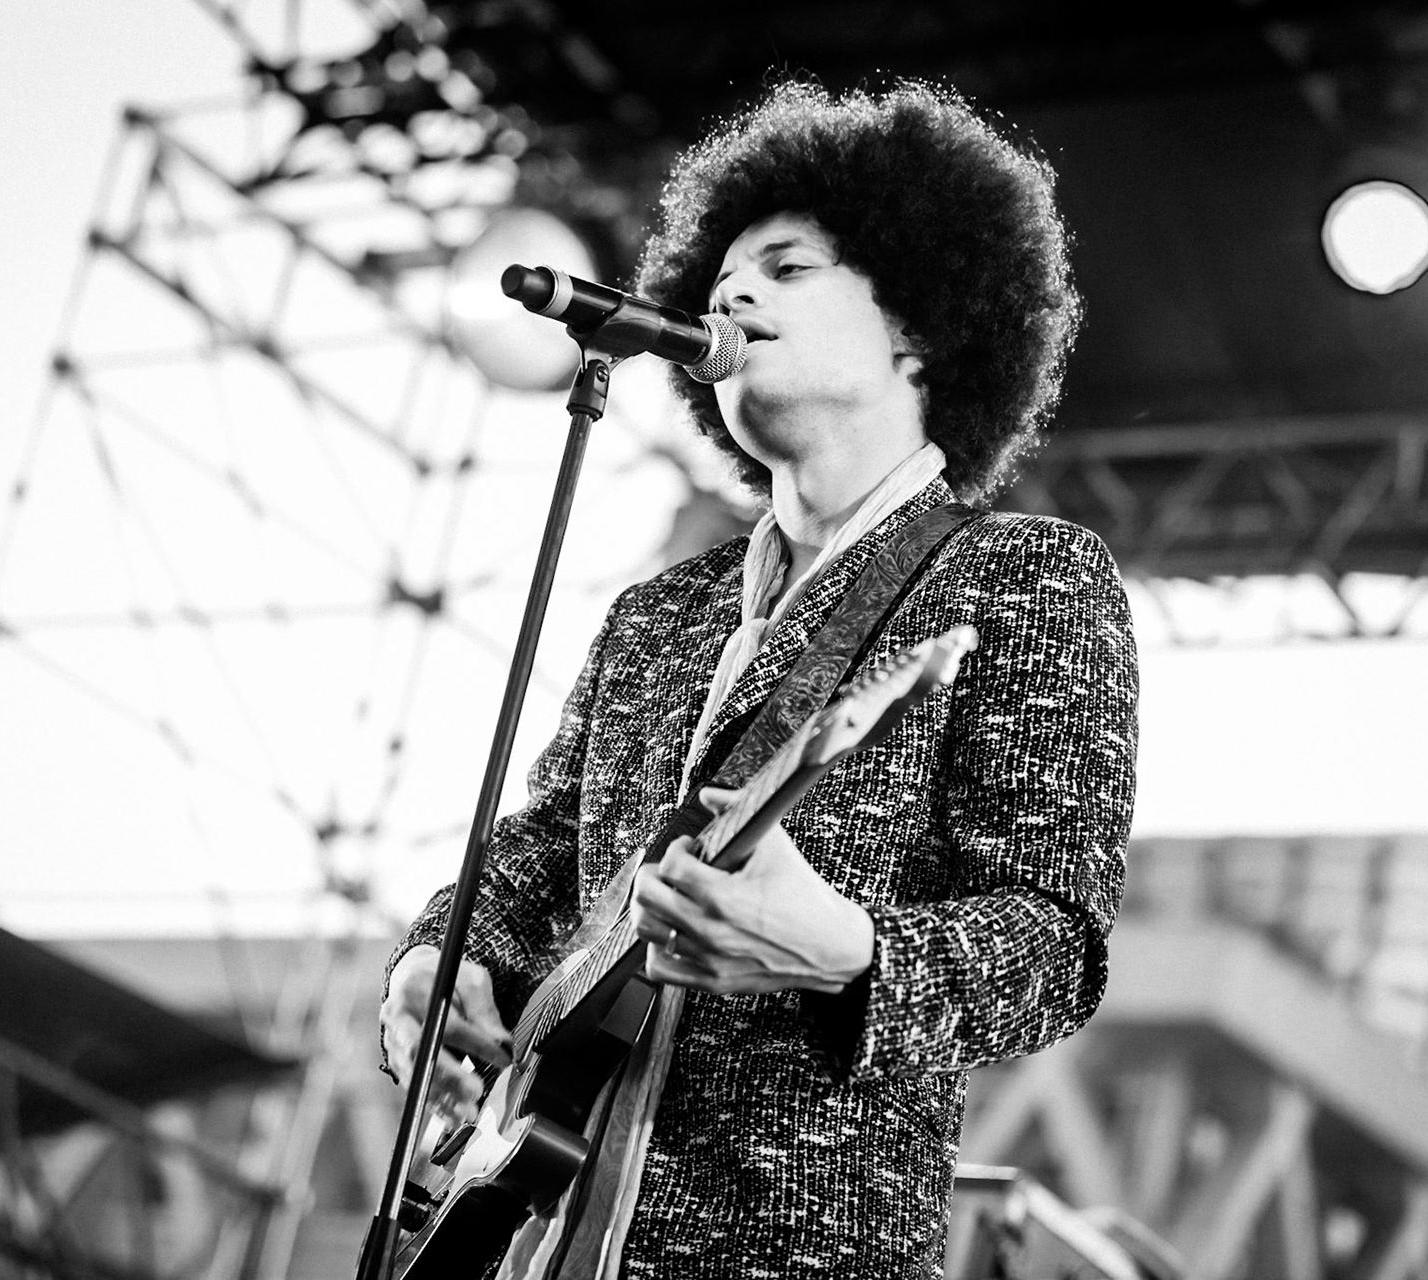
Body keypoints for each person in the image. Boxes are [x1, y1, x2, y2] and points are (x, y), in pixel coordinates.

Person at [380, 79, 1138, 1279]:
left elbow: (1055, 943)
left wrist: (850, 952)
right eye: (725, 274)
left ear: (919, 325)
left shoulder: (1025, 575)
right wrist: (441, 955)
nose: (730, 293)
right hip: (531, 1233)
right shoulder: (656, 615)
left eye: (788, 269)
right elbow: (536, 849)